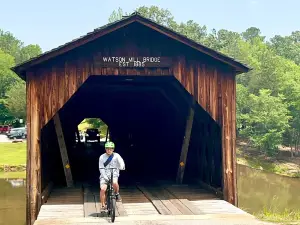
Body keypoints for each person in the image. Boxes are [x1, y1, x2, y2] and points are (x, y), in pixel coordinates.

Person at [99, 141, 125, 210]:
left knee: (114, 183)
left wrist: (122, 166)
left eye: (111, 149)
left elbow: (121, 162)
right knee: (103, 189)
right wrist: (105, 177)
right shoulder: (102, 157)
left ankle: (116, 193)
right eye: (107, 149)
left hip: (114, 174)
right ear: (105, 149)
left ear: (113, 149)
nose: (109, 150)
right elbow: (101, 168)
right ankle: (103, 204)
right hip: (104, 175)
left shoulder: (117, 155)